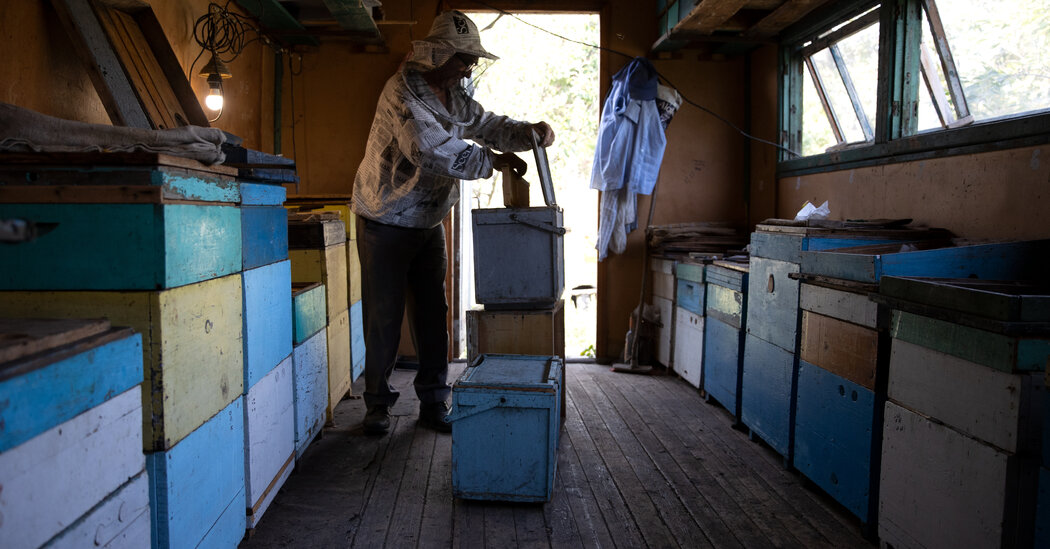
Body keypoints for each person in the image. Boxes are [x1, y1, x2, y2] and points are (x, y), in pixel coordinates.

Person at [351, 10, 556, 435]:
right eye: (464, 58)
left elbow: (485, 124)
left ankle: (432, 401)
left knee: (433, 313)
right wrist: (492, 161)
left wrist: (527, 133)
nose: (470, 67)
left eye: (472, 59)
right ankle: (377, 406)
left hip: (428, 220)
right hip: (384, 217)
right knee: (384, 316)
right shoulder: (402, 92)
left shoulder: (454, 94)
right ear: (439, 54)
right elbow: (429, 149)